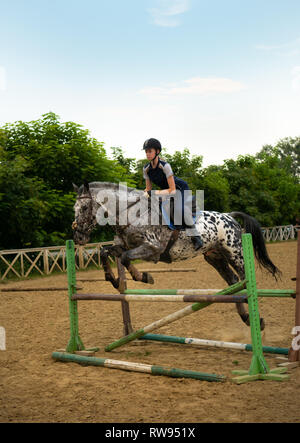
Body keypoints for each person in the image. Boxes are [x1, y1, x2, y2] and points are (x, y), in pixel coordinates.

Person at [142, 138, 203, 250]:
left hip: (179, 189)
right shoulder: (146, 169)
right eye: (146, 151)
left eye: (150, 151)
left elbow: (173, 190)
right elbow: (148, 189)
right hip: (166, 191)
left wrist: (153, 193)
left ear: (157, 151)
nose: (147, 154)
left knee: (179, 210)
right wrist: (142, 194)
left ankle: (196, 237)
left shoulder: (165, 166)